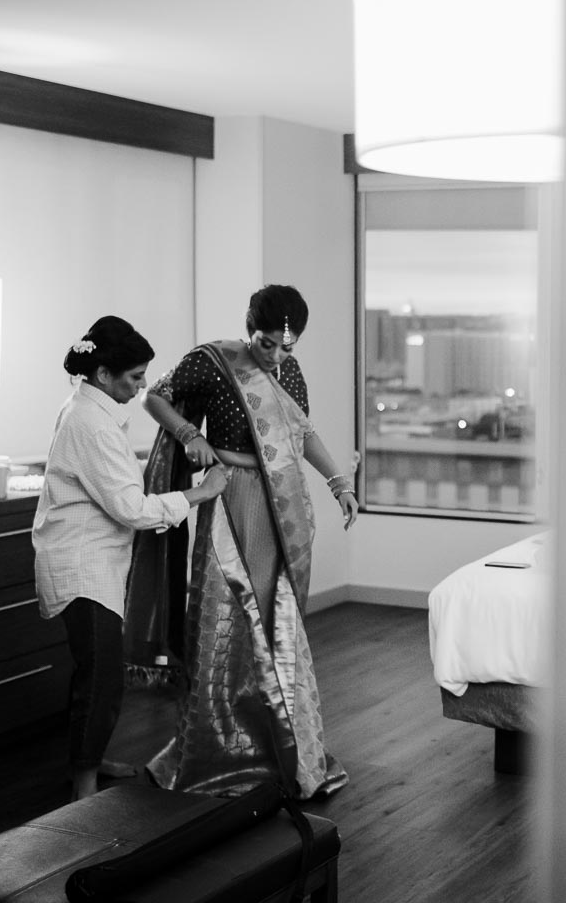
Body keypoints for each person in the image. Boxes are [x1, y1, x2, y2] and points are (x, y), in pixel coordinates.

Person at [130, 284, 357, 800]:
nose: (275, 356)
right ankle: (218, 750)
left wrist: (338, 481)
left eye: (286, 347)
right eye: (266, 343)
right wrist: (192, 436)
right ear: (247, 326)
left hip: (282, 502)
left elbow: (302, 435)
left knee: (279, 623)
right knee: (225, 617)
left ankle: (282, 748)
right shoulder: (213, 361)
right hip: (229, 497)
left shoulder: (289, 373)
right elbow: (154, 396)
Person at [33, 316, 229, 801]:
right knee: (98, 683)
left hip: (91, 563)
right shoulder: (91, 424)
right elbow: (131, 508)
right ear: (104, 375)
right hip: (84, 570)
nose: (143, 388)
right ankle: (82, 794)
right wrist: (200, 492)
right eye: (136, 378)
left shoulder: (88, 408)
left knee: (101, 677)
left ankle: (92, 763)